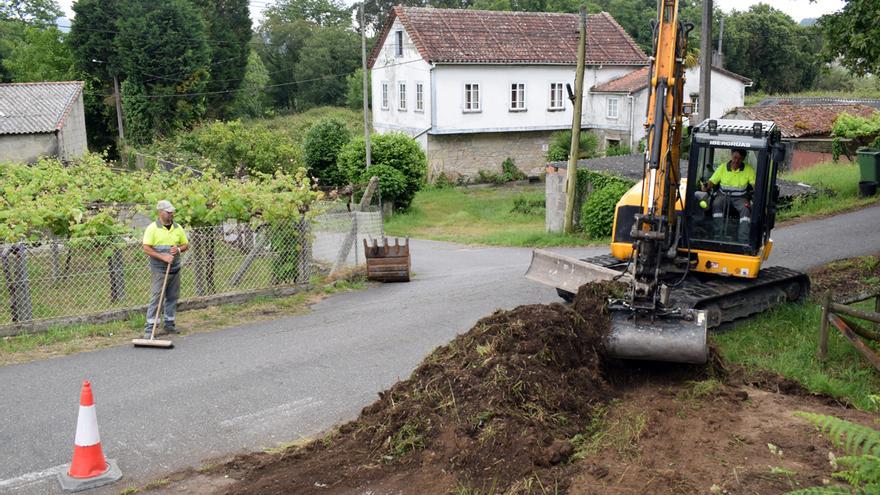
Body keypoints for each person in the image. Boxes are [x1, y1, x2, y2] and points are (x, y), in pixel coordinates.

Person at [142, 200, 189, 339]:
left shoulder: (177, 227)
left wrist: (178, 249)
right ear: (160, 212)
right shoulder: (152, 228)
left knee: (172, 297)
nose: (171, 214)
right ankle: (150, 328)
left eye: (172, 212)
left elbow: (185, 244)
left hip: (175, 268)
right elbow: (146, 248)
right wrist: (163, 257)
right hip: (160, 270)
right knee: (157, 297)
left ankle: (169, 324)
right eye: (168, 212)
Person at [701, 149, 756, 241]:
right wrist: (706, 187)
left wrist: (756, 190)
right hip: (723, 196)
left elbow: (754, 185)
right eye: (735, 157)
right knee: (716, 204)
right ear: (731, 156)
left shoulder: (748, 169)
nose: (736, 161)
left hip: (740, 197)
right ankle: (718, 235)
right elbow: (712, 182)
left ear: (743, 159)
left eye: (739, 158)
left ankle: (743, 239)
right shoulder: (722, 168)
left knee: (746, 209)